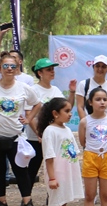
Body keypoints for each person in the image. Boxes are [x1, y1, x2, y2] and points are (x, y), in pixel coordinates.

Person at [0, 53, 39, 206]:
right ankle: (2, 202)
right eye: (6, 66)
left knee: (21, 170)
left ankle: (27, 202)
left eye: (13, 66)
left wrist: (29, 119)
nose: (10, 69)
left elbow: (37, 104)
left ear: (18, 67)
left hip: (16, 137)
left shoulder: (24, 88)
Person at [35, 98, 83, 206]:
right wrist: (52, 178)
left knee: (62, 204)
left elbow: (72, 151)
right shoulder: (50, 131)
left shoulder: (67, 129)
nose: (70, 114)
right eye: (66, 111)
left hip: (67, 173)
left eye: (70, 111)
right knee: (54, 205)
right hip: (57, 174)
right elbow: (49, 157)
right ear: (55, 113)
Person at [25, 58, 76, 191]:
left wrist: (72, 92)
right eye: (49, 69)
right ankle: (27, 198)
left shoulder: (55, 90)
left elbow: (66, 107)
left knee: (55, 166)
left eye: (53, 69)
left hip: (54, 137)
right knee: (32, 168)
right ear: (39, 73)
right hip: (35, 138)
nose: (52, 72)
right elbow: (29, 116)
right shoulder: (33, 90)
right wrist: (40, 134)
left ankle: (53, 195)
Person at [76, 55, 107, 126]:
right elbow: (80, 107)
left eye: (103, 66)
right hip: (90, 125)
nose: (100, 69)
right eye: (97, 66)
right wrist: (86, 125)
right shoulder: (83, 84)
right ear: (93, 67)